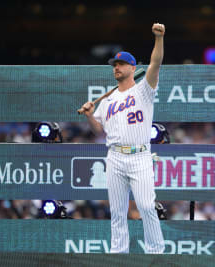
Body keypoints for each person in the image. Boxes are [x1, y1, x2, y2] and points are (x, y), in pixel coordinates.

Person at [80, 23, 166, 254]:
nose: (116, 67)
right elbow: (99, 131)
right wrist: (90, 115)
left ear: (132, 67)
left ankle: (156, 252)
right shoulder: (107, 101)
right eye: (114, 65)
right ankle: (118, 253)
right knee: (117, 211)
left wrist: (159, 38)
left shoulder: (143, 90)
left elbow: (156, 64)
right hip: (115, 156)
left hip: (140, 155)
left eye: (121, 64)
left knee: (147, 207)